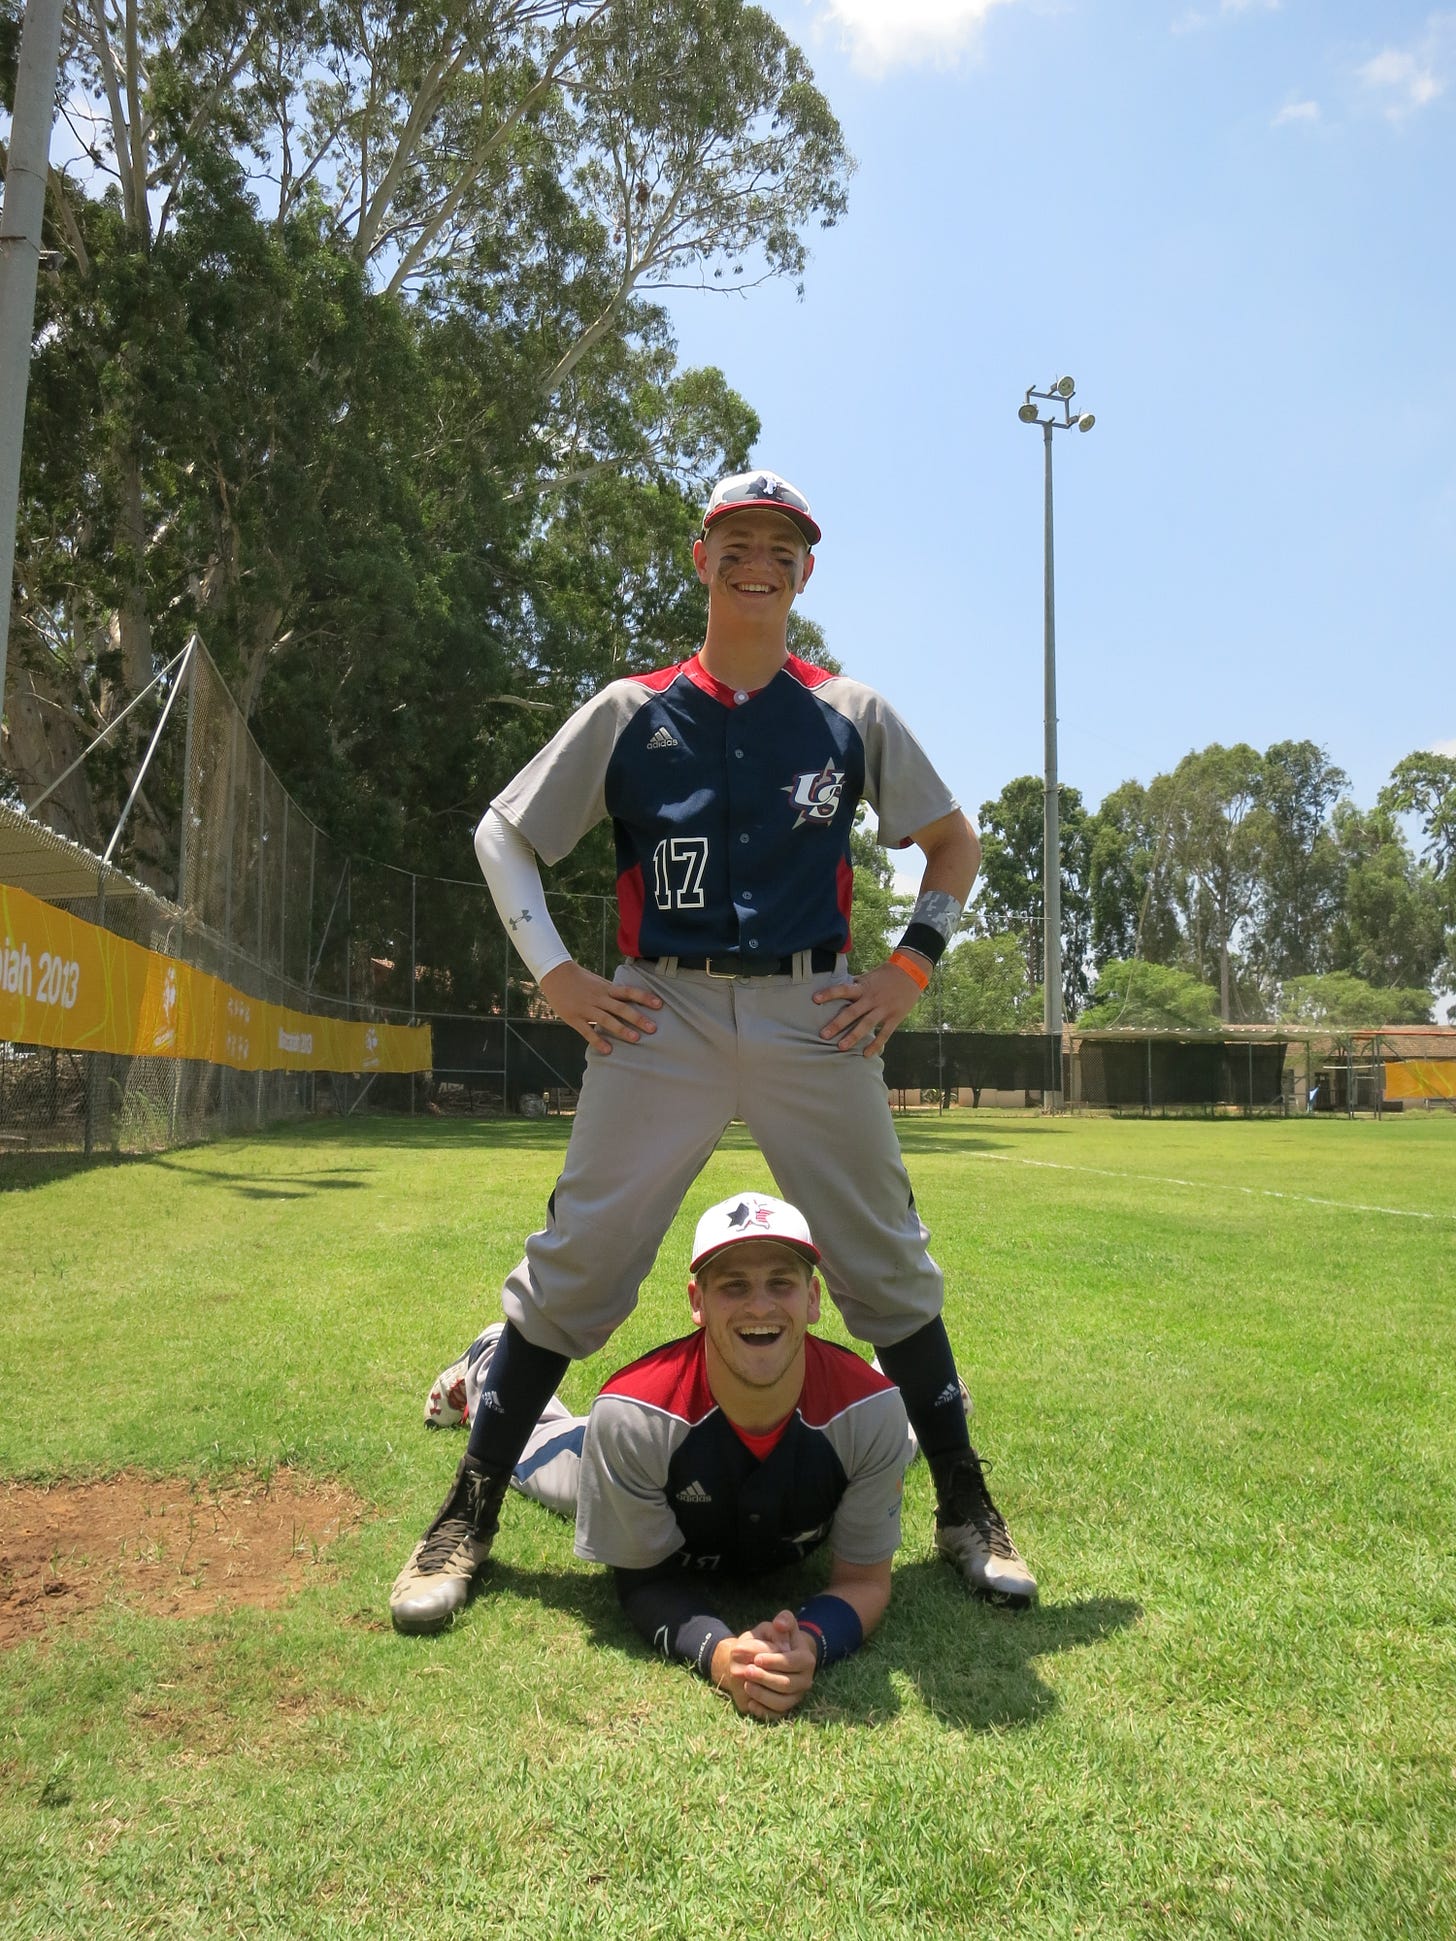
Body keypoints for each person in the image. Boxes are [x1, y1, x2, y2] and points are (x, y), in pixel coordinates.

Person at [389, 468, 1036, 1635]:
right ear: (702, 557)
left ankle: (967, 1509)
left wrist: (908, 970)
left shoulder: (850, 711)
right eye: (737, 539)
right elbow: (505, 833)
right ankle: (466, 1516)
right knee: (578, 1263)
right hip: (662, 1012)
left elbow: (950, 841)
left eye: (780, 544)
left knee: (886, 1264)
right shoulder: (632, 709)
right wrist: (557, 973)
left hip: (813, 1009)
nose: (758, 559)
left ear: (805, 568)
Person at [423, 1193, 913, 1720]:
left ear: (813, 1299)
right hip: (649, 1438)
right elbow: (645, 1581)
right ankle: (488, 1357)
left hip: (832, 1420)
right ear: (696, 1302)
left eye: (781, 1283)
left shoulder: (870, 1412)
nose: (760, 1305)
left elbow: (864, 1581)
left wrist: (812, 1642)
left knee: (898, 1434)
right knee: (531, 1453)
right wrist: (721, 1655)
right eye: (733, 1286)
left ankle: (929, 1392)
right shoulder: (631, 1419)